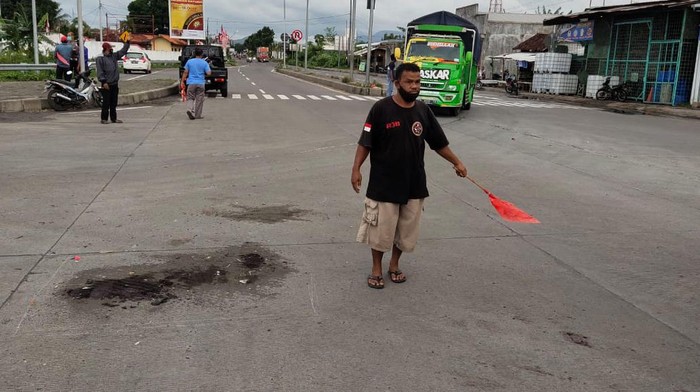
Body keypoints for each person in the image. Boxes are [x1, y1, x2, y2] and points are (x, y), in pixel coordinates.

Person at [351, 62, 468, 289]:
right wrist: (356, 169)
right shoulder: (380, 109)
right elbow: (365, 142)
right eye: (409, 82)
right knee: (380, 231)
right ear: (396, 83)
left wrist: (457, 162)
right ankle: (376, 269)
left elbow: (438, 143)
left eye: (417, 82)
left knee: (405, 232)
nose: (414, 86)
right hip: (383, 183)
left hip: (414, 183)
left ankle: (394, 265)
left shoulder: (423, 111)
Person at [96, 40, 130, 124]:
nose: (111, 50)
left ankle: (114, 118)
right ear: (105, 49)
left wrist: (127, 43)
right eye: (109, 49)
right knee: (106, 103)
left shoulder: (114, 56)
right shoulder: (100, 59)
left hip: (114, 83)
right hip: (106, 84)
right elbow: (100, 71)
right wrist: (104, 82)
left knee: (113, 103)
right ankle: (104, 119)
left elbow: (123, 51)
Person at [180, 47, 212, 120]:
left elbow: (185, 72)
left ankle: (189, 109)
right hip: (201, 83)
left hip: (191, 83)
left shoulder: (189, 61)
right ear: (202, 54)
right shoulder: (204, 63)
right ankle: (198, 115)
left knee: (190, 97)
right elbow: (209, 73)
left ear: (194, 54)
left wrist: (182, 81)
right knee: (199, 99)